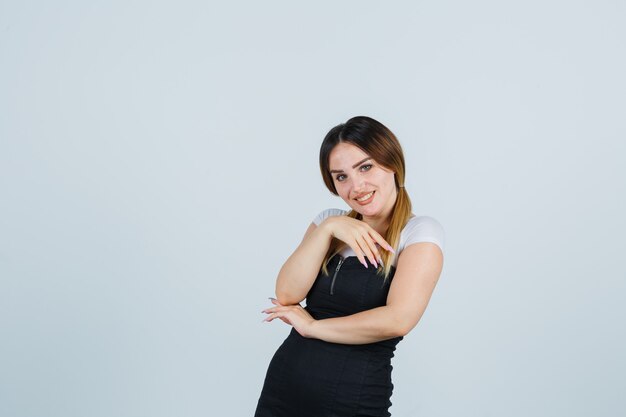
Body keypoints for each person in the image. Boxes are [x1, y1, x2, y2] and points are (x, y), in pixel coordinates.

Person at [254, 116, 445, 417]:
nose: (356, 186)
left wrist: (314, 327)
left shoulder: (419, 233)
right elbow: (287, 293)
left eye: (365, 167)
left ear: (392, 163)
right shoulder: (327, 223)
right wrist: (330, 227)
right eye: (341, 177)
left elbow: (398, 319)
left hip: (352, 399)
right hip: (283, 391)